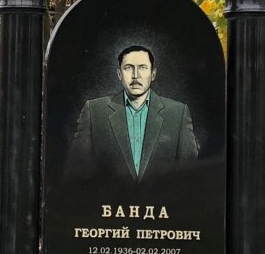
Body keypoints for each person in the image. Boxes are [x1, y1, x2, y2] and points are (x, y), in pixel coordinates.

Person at [66, 45, 198, 183]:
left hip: (162, 202)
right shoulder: (94, 111)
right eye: (128, 67)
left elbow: (190, 176)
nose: (136, 75)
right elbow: (75, 173)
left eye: (142, 67)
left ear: (153, 74)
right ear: (119, 74)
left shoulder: (177, 113)